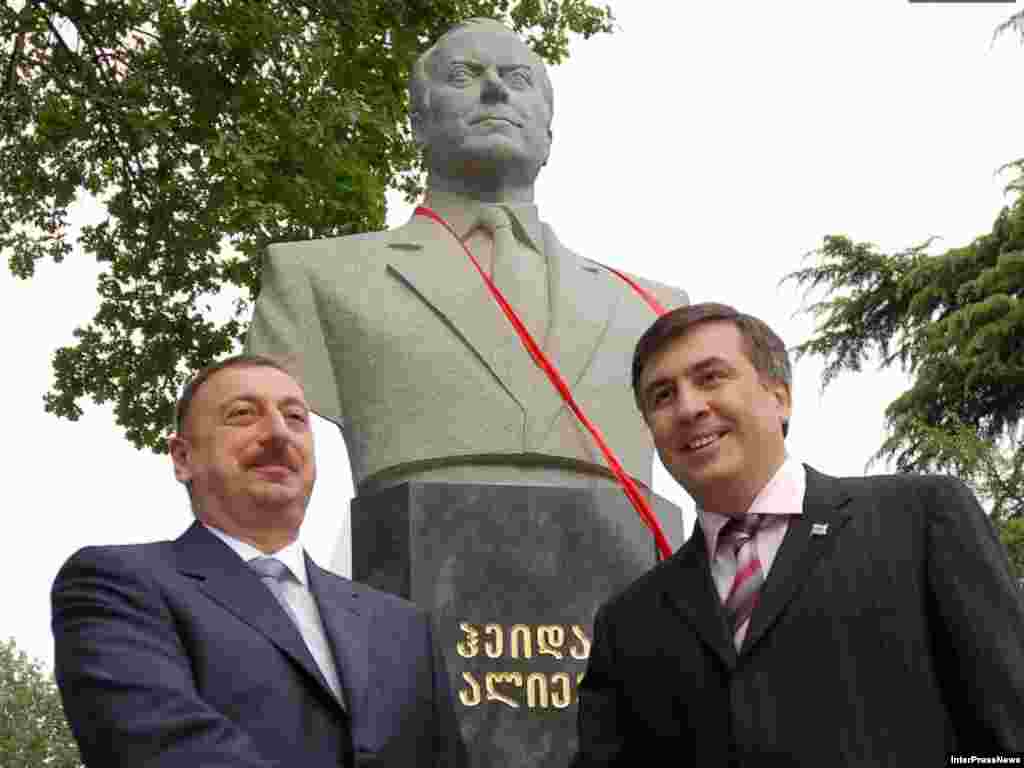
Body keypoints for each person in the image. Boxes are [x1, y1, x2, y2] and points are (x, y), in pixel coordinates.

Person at [246, 18, 687, 496]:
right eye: (463, 75)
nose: (495, 89)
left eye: (517, 78)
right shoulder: (313, 277)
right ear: (418, 124)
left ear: (549, 135)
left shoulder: (652, 310)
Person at [572, 302, 1024, 766]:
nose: (688, 407)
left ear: (780, 397)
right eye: (662, 395)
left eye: (710, 378)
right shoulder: (628, 623)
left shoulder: (920, 519)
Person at [52, 355, 466, 768]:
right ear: (182, 458)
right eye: (243, 414)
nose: (277, 433)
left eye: (295, 417)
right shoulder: (117, 585)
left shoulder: (404, 627)